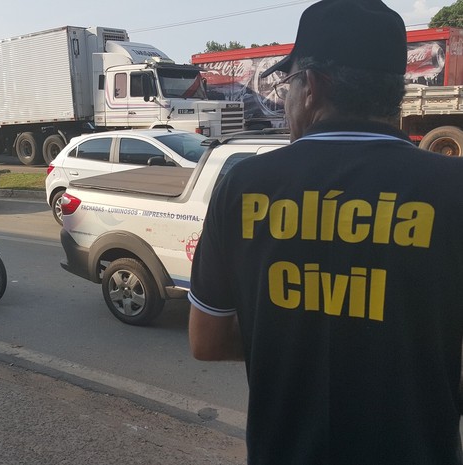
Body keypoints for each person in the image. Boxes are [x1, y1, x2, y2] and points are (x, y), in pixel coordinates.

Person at [188, 0, 463, 464]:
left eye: (288, 84)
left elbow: (207, 341)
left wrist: (290, 330)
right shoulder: (454, 190)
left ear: (312, 86)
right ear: (396, 91)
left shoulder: (242, 186)